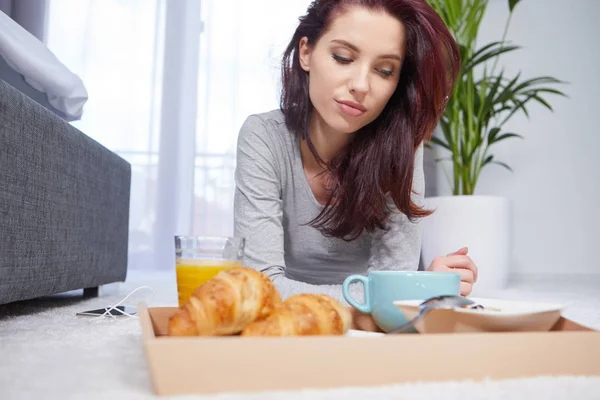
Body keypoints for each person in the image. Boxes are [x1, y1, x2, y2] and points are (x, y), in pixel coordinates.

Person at [233, 0, 478, 305]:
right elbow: (260, 289)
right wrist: (408, 290)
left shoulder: (403, 147)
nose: (361, 86)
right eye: (343, 57)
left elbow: (394, 288)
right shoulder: (264, 136)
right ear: (306, 52)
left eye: (385, 70)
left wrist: (407, 290)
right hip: (285, 335)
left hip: (368, 339)